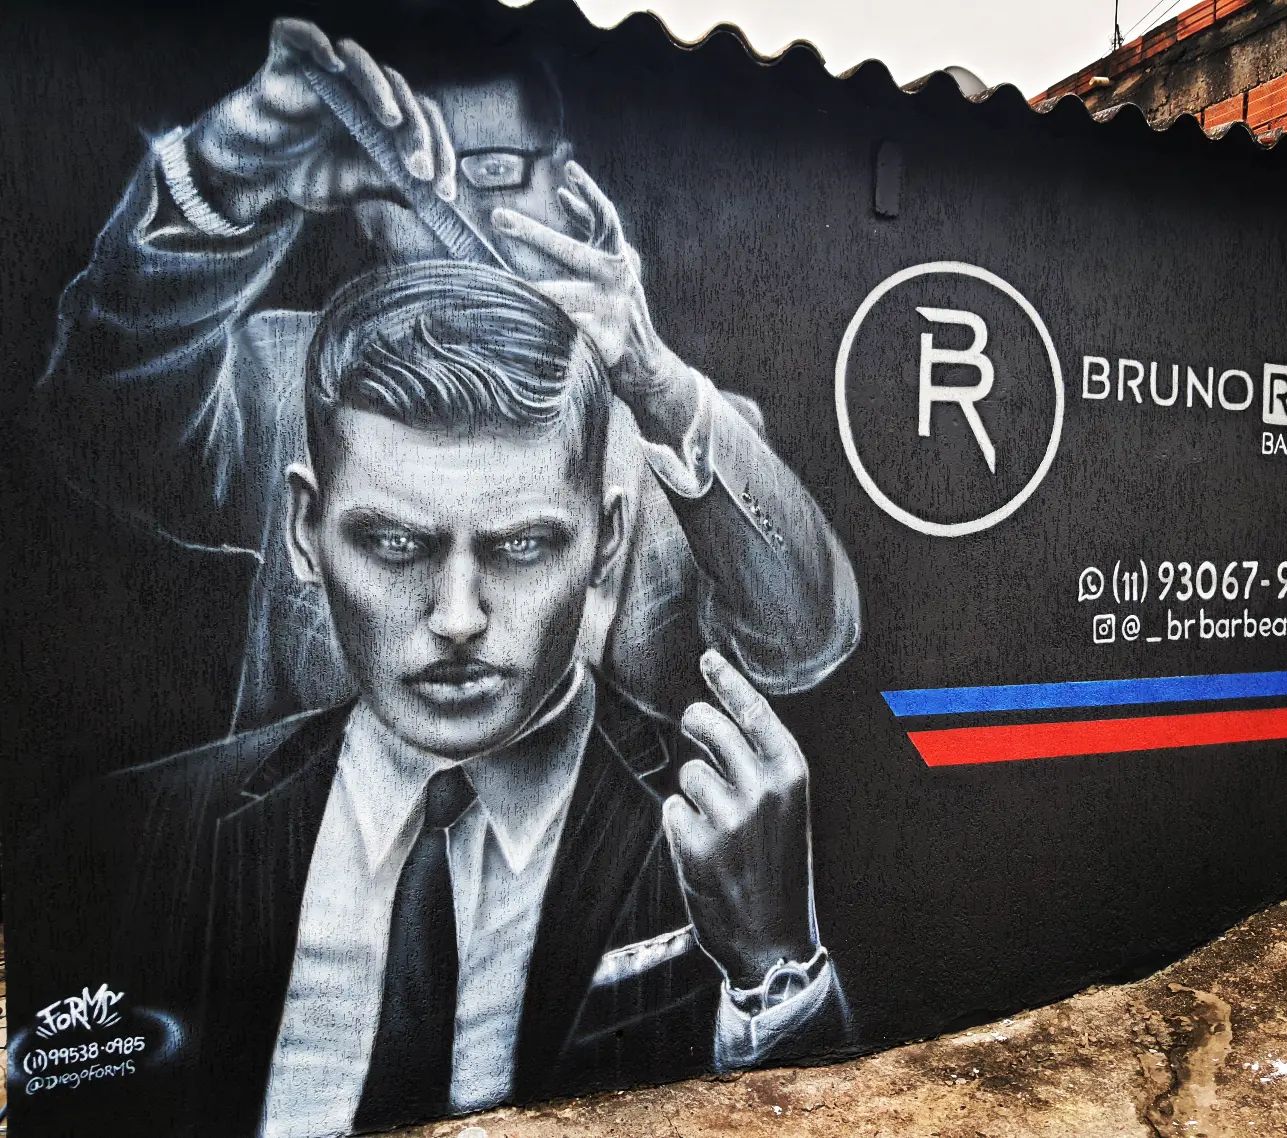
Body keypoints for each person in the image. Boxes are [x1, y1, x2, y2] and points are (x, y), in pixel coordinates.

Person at [34, 263, 847, 1138]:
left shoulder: (726, 840)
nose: (458, 618)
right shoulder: (135, 833)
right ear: (306, 530)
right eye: (394, 543)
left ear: (607, 541)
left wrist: (775, 970)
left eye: (523, 545)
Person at [34, 16, 860, 732]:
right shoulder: (277, 380)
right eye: (413, 182)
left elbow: (807, 639)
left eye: (494, 172)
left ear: (567, 183)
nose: (453, 212)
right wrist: (220, 173)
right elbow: (100, 425)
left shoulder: (681, 436)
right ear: (361, 204)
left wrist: (657, 383)